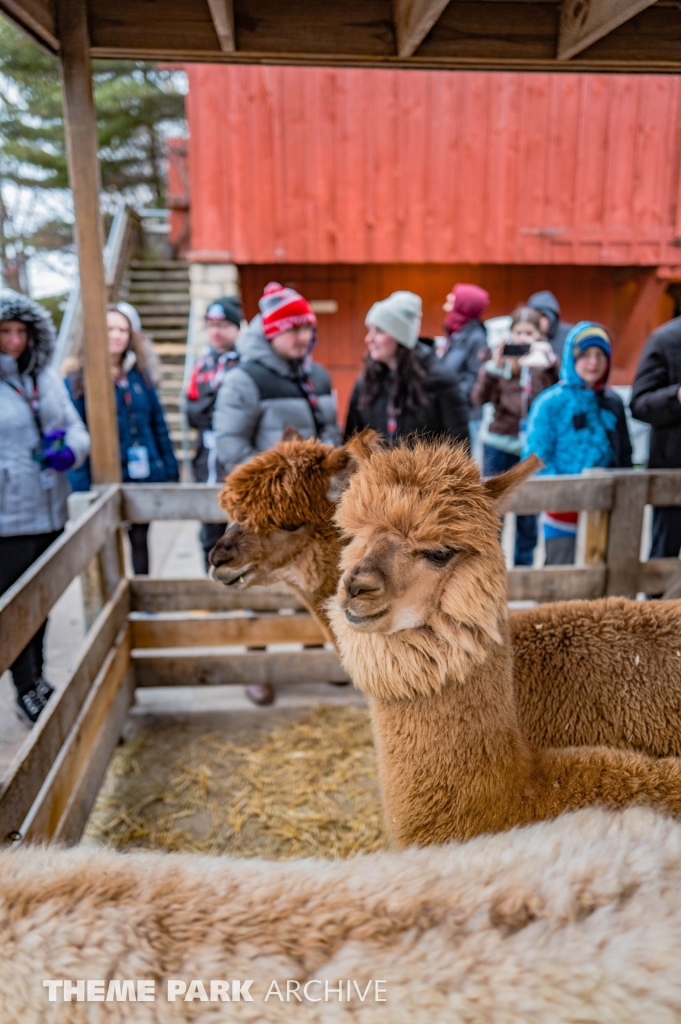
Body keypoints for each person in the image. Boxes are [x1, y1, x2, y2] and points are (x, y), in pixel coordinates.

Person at [213, 281, 340, 705]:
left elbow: (331, 435)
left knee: (317, 582)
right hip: (267, 514)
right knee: (260, 586)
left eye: (306, 328)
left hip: (313, 512)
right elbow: (231, 448)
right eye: (292, 329)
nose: (302, 337)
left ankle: (316, 654)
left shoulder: (316, 374)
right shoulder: (244, 379)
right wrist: (280, 492)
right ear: (270, 332)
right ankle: (259, 667)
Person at [0, 289, 90, 725]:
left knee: (42, 601)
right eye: (5, 332)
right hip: (7, 516)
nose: (14, 341)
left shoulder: (46, 377)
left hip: (49, 505)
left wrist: (69, 451)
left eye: (21, 331)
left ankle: (37, 679)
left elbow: (75, 426)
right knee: (15, 605)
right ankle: (24, 686)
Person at [65, 303, 179, 575]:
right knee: (105, 543)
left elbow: (157, 423)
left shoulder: (140, 375)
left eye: (123, 330)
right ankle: (114, 602)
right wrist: (81, 485)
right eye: (109, 329)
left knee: (140, 538)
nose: (117, 335)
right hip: (102, 475)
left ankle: (143, 600)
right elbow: (74, 432)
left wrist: (168, 467)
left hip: (142, 471)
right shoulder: (78, 380)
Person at [524, 322, 632, 565]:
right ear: (571, 357)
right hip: (562, 509)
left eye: (599, 355)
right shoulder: (549, 403)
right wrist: (564, 493)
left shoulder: (613, 402)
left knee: (603, 578)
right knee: (561, 576)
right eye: (585, 355)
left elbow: (624, 453)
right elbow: (535, 458)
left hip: (605, 507)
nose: (593, 362)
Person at [471, 306, 558, 566]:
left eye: (529, 333)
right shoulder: (497, 361)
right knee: (493, 513)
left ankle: (524, 570)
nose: (522, 338)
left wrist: (548, 363)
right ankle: (490, 570)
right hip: (498, 445)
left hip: (530, 447)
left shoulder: (543, 363)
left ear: (539, 336)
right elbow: (478, 398)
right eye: (517, 332)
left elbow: (555, 395)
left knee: (528, 514)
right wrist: (494, 367)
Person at [344, 291, 469, 447]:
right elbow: (352, 441)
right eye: (370, 330)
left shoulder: (440, 381)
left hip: (424, 471)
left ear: (400, 336)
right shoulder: (367, 383)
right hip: (377, 471)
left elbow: (460, 445)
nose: (368, 339)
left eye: (379, 331)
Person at [185, 295, 243, 570]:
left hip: (235, 460)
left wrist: (213, 406)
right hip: (204, 459)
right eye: (210, 325)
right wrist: (213, 405)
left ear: (236, 327)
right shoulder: (201, 364)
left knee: (240, 534)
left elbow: (235, 414)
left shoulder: (245, 363)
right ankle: (210, 583)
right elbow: (193, 411)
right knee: (208, 530)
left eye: (222, 324)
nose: (215, 331)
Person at [630, 316, 681, 575]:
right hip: (672, 474)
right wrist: (677, 396)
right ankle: (656, 613)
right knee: (663, 560)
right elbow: (639, 403)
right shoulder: (666, 339)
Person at [439, 283, 490, 451]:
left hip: (467, 416)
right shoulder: (457, 334)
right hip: (453, 411)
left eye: (453, 297)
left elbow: (476, 378)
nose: (448, 301)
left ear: (464, 305)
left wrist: (451, 391)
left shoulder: (476, 338)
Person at [527, 291, 573, 364]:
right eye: (535, 316)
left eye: (543, 315)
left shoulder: (569, 336)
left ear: (552, 317)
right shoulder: (522, 336)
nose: (538, 320)